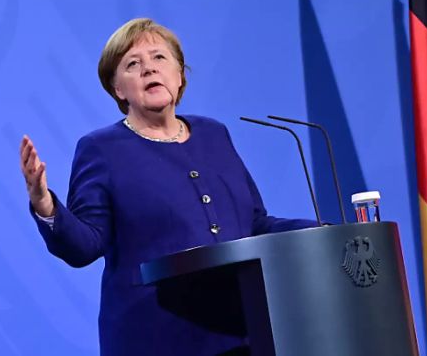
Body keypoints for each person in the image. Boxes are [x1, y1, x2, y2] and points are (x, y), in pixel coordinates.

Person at [19, 18, 315, 355]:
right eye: (133, 64)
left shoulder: (213, 135)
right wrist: (44, 203)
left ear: (180, 75)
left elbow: (255, 223)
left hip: (237, 332)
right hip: (154, 335)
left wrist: (324, 232)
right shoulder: (101, 149)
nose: (148, 69)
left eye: (159, 58)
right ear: (118, 89)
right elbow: (85, 245)